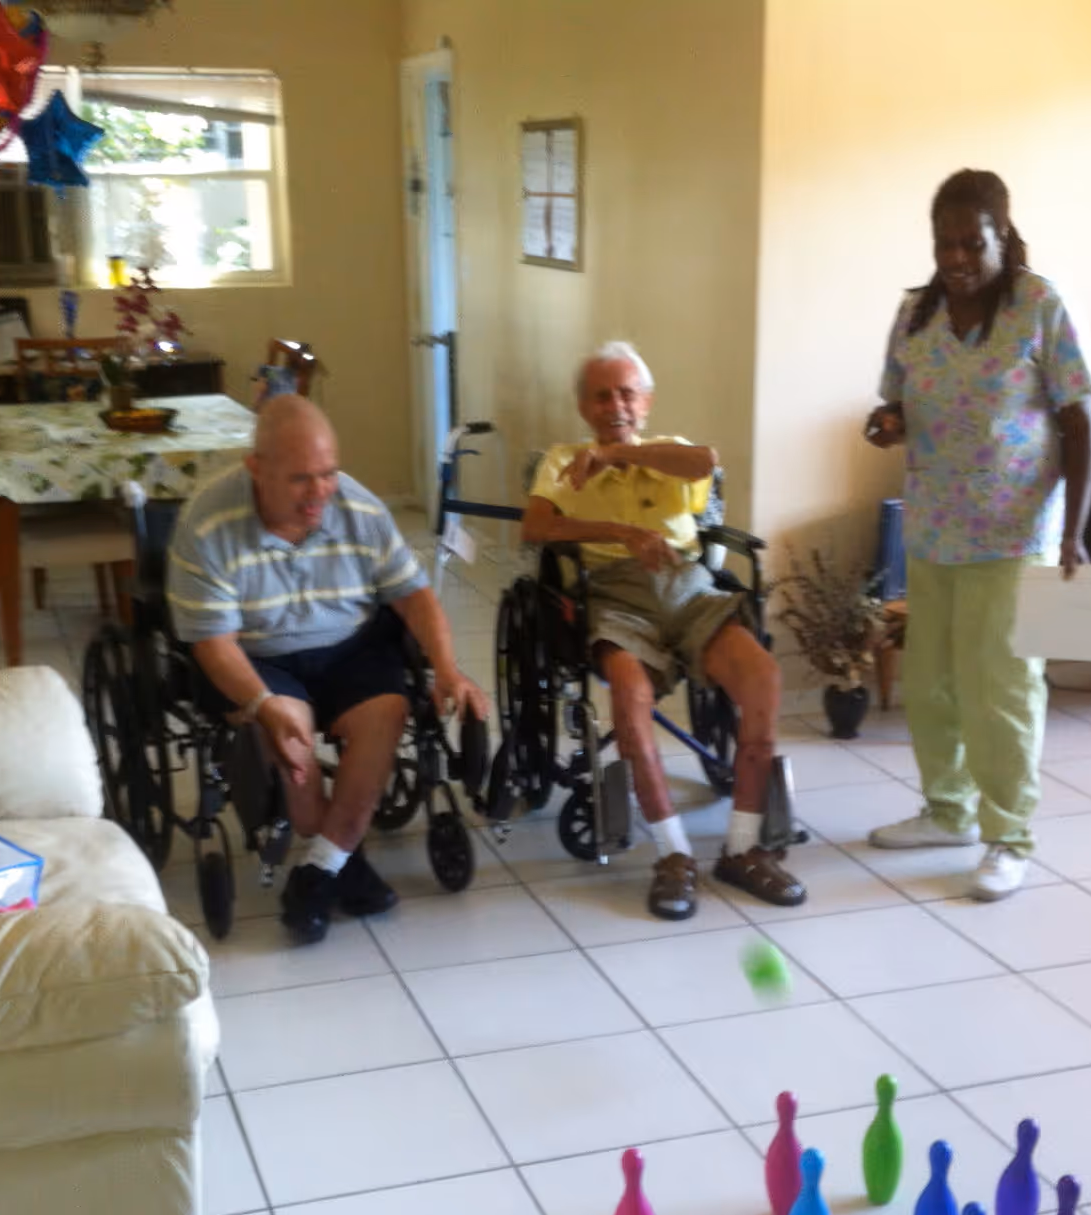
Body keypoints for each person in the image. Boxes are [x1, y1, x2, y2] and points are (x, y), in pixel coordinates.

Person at [168, 394, 488, 945]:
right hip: (259, 658)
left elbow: (414, 597)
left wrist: (447, 669)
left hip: (349, 648)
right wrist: (263, 705)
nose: (319, 493)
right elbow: (214, 645)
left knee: (384, 717)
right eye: (300, 480)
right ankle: (342, 865)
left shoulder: (360, 511)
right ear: (256, 470)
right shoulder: (208, 523)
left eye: (328, 474)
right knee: (293, 752)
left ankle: (317, 873)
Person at [863, 169, 1091, 901]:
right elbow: (891, 408)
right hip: (932, 531)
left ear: (1004, 237)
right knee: (933, 684)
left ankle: (1008, 837)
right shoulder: (915, 314)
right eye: (946, 242)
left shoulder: (1040, 307)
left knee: (999, 690)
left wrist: (1076, 533)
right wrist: (884, 425)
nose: (958, 256)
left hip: (1013, 533)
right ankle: (947, 811)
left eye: (974, 240)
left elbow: (1081, 424)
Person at [522, 341, 807, 921]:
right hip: (615, 593)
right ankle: (674, 855)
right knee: (629, 700)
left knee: (763, 680)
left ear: (646, 401)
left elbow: (707, 461)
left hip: (688, 586)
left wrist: (622, 456)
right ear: (583, 407)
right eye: (602, 396)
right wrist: (618, 530)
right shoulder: (562, 458)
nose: (615, 405)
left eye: (627, 393)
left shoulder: (672, 452)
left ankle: (742, 848)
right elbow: (535, 526)